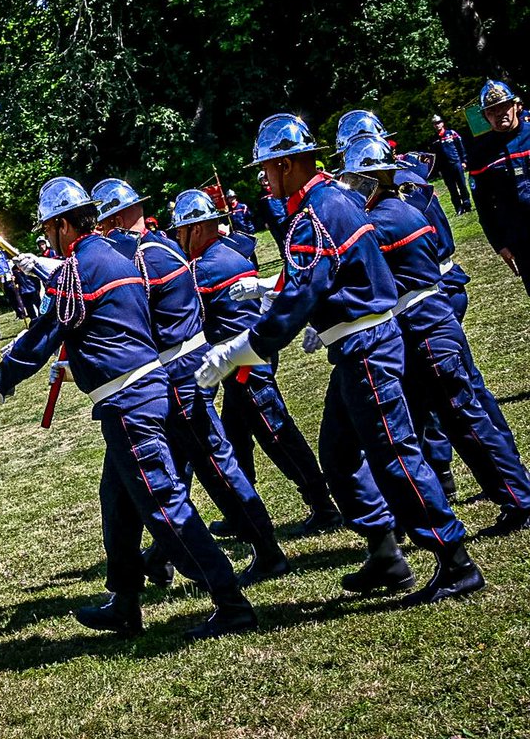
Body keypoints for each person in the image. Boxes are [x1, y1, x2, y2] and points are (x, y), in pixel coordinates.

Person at [197, 113, 481, 606]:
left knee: (394, 456)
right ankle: (384, 552)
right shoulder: (333, 199)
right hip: (358, 343)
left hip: (365, 347)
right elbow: (323, 279)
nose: (263, 178)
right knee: (339, 454)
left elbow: (302, 293)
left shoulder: (315, 212)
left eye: (267, 168)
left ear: (287, 165)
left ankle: (454, 558)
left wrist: (239, 349)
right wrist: (283, 299)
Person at [0, 176, 256, 641]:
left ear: (65, 226)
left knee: (165, 505)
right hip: (142, 393)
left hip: (129, 403)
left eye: (48, 228)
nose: (46, 237)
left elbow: (43, 336)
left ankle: (230, 601)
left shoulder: (77, 268)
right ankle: (125, 602)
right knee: (119, 504)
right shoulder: (115, 254)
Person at [94, 179, 289, 588]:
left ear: (111, 220)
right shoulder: (154, 247)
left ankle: (266, 550)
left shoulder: (144, 257)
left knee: (214, 465)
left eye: (100, 225)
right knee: (170, 472)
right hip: (172, 371)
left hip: (179, 372)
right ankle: (154, 562)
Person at [338, 135, 530, 535]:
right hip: (428, 322)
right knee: (460, 415)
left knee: (465, 418)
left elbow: (352, 265)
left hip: (426, 326)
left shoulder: (383, 219)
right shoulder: (398, 207)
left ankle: (520, 499)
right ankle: (512, 496)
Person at [180, 197, 343, 535]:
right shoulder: (231, 252)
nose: (179, 238)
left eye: (181, 230)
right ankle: (243, 513)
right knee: (237, 438)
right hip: (247, 355)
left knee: (278, 436)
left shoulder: (204, 268)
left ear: (195, 229)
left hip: (245, 364)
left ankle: (323, 506)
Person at [468, 80, 530, 296]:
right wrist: (499, 244)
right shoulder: (480, 155)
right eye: (492, 110)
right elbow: (483, 206)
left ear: (516, 106)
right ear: (485, 116)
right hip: (520, 238)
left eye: (504, 106)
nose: (499, 113)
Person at [429, 114, 472, 215]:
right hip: (445, 169)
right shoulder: (433, 139)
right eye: (435, 124)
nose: (437, 125)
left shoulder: (451, 133)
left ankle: (467, 204)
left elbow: (460, 147)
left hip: (456, 164)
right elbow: (434, 156)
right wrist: (437, 169)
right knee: (452, 189)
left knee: (462, 186)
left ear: (442, 123)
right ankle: (458, 208)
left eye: (438, 123)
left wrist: (464, 161)